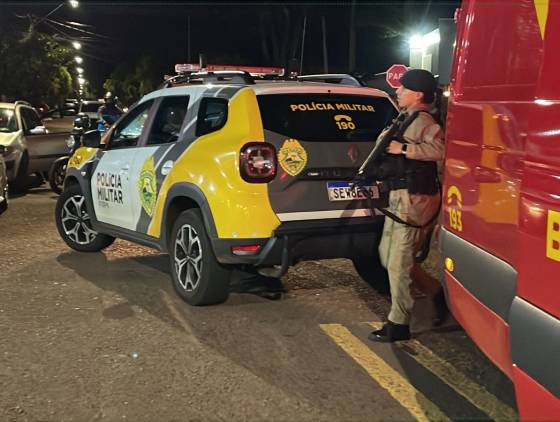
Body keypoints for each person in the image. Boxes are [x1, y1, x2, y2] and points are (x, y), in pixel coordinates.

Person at [368, 69, 445, 343]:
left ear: (418, 94)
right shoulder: (406, 117)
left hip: (415, 197)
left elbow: (441, 150)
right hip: (400, 195)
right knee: (389, 258)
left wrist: (404, 150)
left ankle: (398, 323)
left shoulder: (424, 119)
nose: (398, 91)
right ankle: (437, 293)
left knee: (399, 262)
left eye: (403, 88)